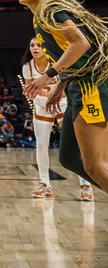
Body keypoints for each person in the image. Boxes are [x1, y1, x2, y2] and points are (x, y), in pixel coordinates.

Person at [23, 34, 95, 201]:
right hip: (41, 106)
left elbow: (62, 90)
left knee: (75, 144)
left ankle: (85, 186)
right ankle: (44, 185)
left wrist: (43, 91)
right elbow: (29, 91)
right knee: (41, 145)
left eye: (38, 45)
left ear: (45, 47)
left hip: (62, 103)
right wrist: (38, 94)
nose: (35, 48)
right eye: (32, 45)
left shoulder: (56, 62)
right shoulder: (27, 67)